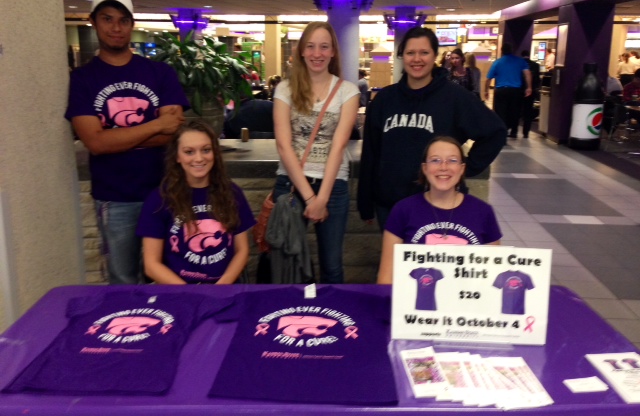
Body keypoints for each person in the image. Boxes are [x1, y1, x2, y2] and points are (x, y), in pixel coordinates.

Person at [65, 0, 188, 285]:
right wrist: (154, 125)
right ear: (94, 22)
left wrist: (114, 138)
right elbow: (94, 143)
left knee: (170, 275)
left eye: (122, 20)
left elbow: (172, 132)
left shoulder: (160, 72)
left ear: (132, 24)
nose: (116, 27)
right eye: (107, 19)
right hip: (114, 198)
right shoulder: (83, 79)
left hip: (165, 194)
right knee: (123, 279)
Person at [358, 27, 506, 231]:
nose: (416, 59)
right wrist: (365, 202)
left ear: (435, 56)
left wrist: (464, 168)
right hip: (390, 204)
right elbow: (371, 153)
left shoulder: (455, 97)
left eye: (424, 52)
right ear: (401, 56)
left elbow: (495, 132)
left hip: (439, 203)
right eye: (410, 53)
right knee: (394, 262)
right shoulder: (384, 100)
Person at [273, 21, 360, 284]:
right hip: (291, 184)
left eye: (324, 47)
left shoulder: (348, 91)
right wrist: (311, 199)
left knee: (332, 265)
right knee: (288, 262)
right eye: (310, 46)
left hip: (333, 187)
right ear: (301, 51)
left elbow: (338, 145)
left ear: (333, 52)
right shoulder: (285, 89)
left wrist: (321, 198)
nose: (317, 53)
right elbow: (283, 145)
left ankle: (333, 318)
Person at [136, 120, 255, 284]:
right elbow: (151, 265)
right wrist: (191, 294)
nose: (198, 158)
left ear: (214, 153)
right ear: (177, 156)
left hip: (223, 288)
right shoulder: (159, 199)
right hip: (178, 292)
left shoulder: (233, 193)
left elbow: (242, 250)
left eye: (206, 150)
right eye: (189, 152)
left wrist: (220, 289)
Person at [377, 136, 501, 284]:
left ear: (462, 169)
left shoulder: (483, 212)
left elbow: (494, 274)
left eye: (452, 160)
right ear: (425, 168)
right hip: (413, 303)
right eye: (435, 160)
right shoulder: (403, 210)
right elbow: (386, 278)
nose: (443, 167)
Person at [484, 43, 532, 139]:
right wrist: (529, 87)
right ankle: (514, 131)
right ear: (511, 50)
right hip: (515, 90)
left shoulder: (497, 62)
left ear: (502, 51)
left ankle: (503, 132)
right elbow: (527, 74)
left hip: (501, 90)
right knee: (515, 111)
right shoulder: (520, 61)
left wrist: (486, 91)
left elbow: (488, 78)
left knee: (501, 112)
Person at [520, 50, 541, 138]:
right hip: (531, 91)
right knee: (528, 111)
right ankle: (526, 132)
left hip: (519, 90)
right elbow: (538, 80)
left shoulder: (519, 64)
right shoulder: (536, 65)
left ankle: (513, 130)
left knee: (516, 109)